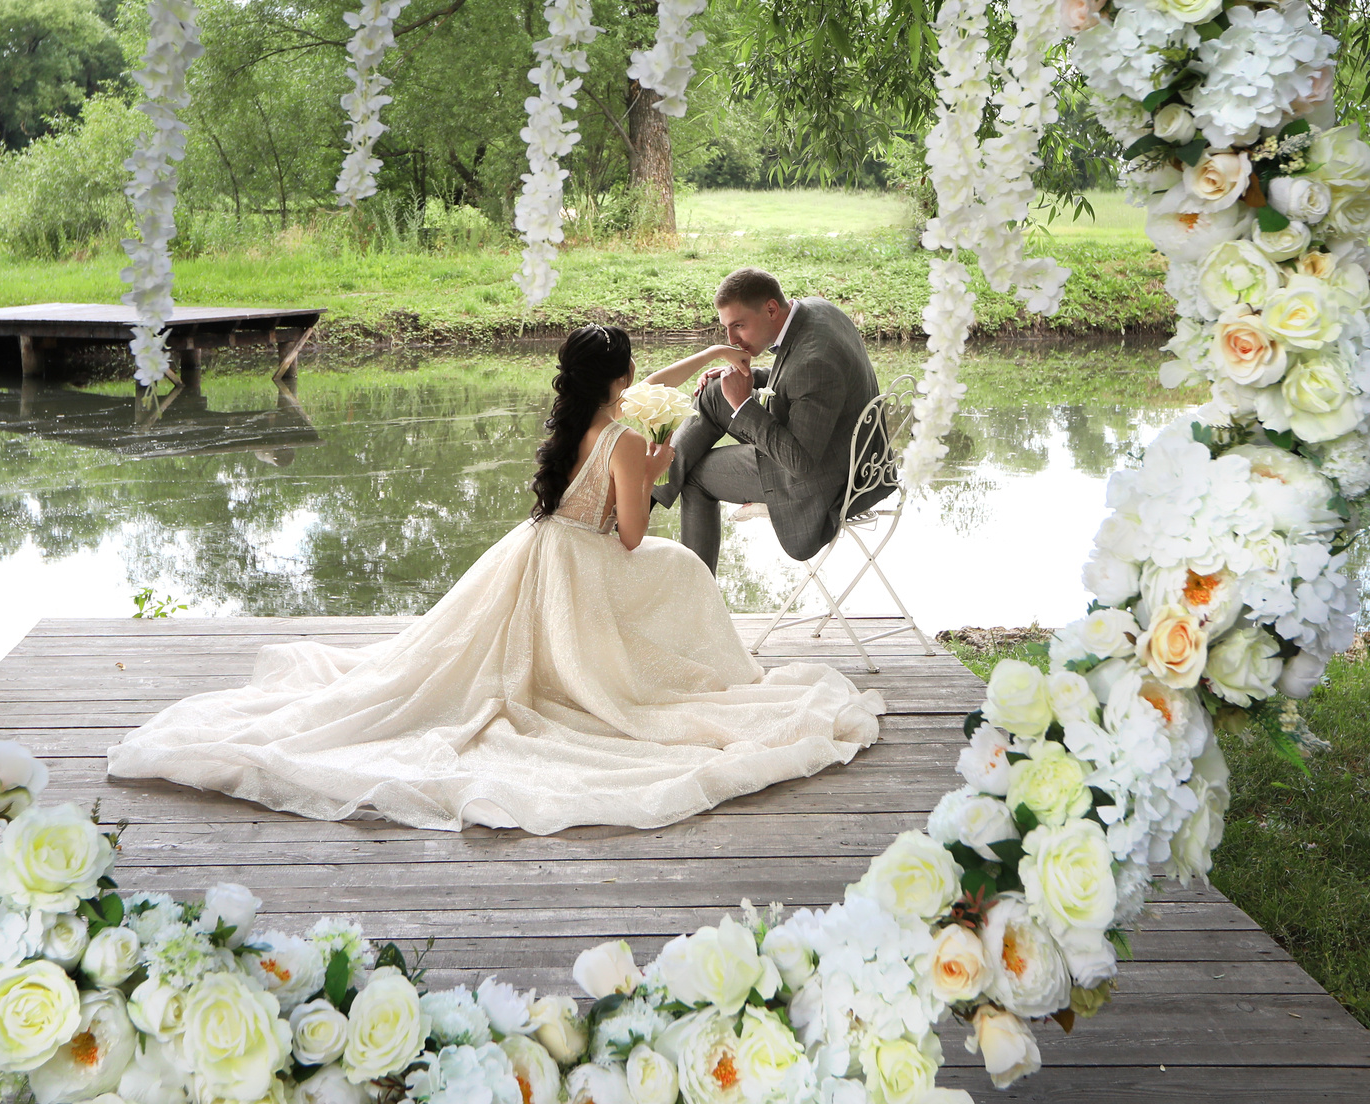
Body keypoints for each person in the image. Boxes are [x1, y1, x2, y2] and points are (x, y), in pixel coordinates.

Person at [103, 325, 883, 833]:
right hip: (588, 560)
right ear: (621, 379)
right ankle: (693, 678)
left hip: (542, 547)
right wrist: (654, 465)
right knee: (679, 567)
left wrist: (709, 364)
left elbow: (652, 387)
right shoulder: (620, 439)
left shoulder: (583, 419)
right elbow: (636, 532)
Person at [654, 267, 889, 571]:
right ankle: (648, 496)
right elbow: (800, 382)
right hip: (841, 448)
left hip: (823, 480)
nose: (731, 338)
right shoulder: (817, 311)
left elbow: (801, 461)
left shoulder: (814, 362)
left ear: (771, 309)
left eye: (739, 325)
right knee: (714, 393)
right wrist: (751, 379)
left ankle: (698, 602)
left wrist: (741, 403)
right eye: (727, 327)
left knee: (695, 475)